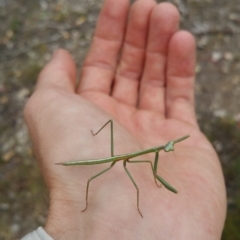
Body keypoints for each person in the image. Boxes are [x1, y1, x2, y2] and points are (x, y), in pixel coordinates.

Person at [22, 0, 226, 239]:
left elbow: (153, 167)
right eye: (168, 146)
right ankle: (88, 205)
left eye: (169, 146)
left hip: (118, 160)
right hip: (105, 160)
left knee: (147, 168)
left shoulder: (151, 158)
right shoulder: (147, 156)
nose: (168, 148)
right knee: (107, 180)